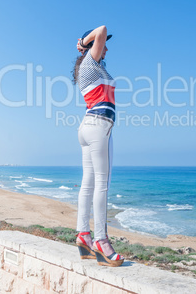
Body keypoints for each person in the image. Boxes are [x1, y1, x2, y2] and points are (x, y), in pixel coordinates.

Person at [72, 25, 124, 267]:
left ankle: (84, 236)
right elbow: (102, 29)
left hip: (88, 127)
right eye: (101, 45)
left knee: (88, 183)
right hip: (99, 126)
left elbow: (102, 37)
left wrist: (87, 46)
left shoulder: (94, 67)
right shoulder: (90, 63)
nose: (106, 47)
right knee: (102, 184)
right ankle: (102, 242)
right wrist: (85, 41)